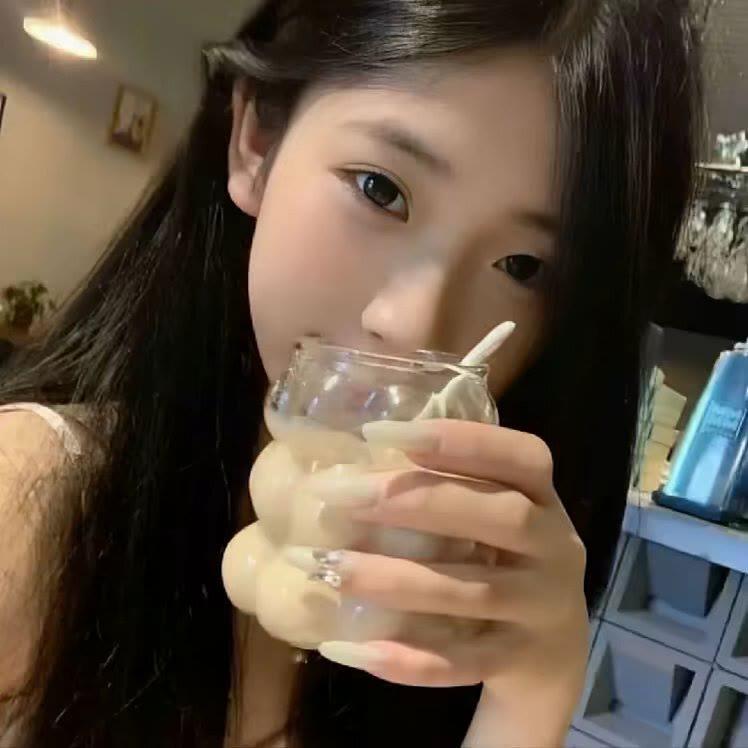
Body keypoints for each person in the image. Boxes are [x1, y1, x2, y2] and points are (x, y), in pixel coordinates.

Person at [0, 1, 701, 746]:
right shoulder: (33, 509)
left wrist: (531, 693)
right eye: (379, 189)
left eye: (522, 267)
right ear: (256, 142)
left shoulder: (451, 610)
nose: (413, 326)